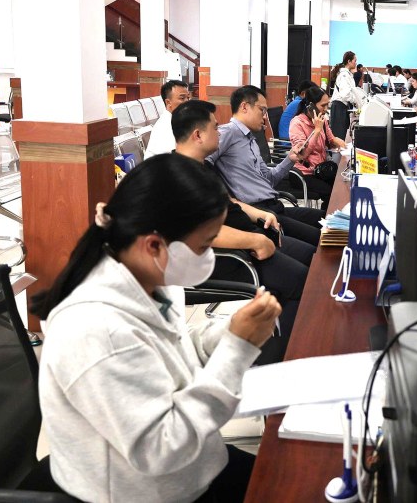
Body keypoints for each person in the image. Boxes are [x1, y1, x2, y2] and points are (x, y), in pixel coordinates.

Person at [35, 153, 283, 503]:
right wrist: (237, 349)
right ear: (153, 244)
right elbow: (161, 449)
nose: (208, 254)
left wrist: (226, 333)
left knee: (287, 475)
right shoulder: (96, 328)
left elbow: (171, 352)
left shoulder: (148, 277)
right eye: (204, 245)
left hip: (192, 467)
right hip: (144, 489)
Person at [172, 100, 312, 362]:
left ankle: (275, 341)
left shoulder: (203, 166)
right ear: (198, 135)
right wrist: (255, 239)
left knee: (306, 262)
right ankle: (277, 360)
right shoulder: (178, 176)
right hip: (225, 257)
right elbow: (201, 233)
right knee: (302, 280)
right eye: (215, 127)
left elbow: (231, 203)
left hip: (244, 239)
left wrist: (260, 214)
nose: (220, 131)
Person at [208, 85, 326, 247]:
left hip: (274, 205)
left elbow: (269, 179)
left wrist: (290, 159)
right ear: (244, 107)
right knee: (319, 238)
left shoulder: (250, 138)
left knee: (325, 218)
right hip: (259, 211)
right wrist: (226, 197)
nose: (264, 117)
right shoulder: (227, 133)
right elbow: (201, 162)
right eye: (261, 110)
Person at [288, 86, 347, 210]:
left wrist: (345, 145)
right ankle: (326, 221)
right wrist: (317, 130)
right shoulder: (297, 123)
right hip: (303, 173)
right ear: (311, 106)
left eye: (327, 105)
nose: (326, 109)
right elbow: (302, 154)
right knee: (331, 193)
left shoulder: (322, 120)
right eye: (323, 105)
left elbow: (331, 140)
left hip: (320, 170)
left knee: (342, 184)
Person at [145, 79, 191, 157]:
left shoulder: (178, 119)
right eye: (182, 98)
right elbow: (172, 159)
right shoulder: (164, 126)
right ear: (168, 102)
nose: (187, 102)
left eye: (188, 98)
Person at [330, 50, 362, 139]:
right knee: (338, 136)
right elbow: (346, 94)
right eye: (355, 60)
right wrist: (356, 101)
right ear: (349, 61)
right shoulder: (344, 75)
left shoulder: (347, 74)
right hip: (339, 107)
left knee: (342, 133)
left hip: (342, 106)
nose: (356, 63)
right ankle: (336, 153)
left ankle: (338, 152)